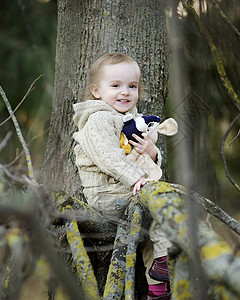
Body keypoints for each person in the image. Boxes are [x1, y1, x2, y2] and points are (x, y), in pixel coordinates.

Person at [72, 53, 172, 299]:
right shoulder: (99, 119)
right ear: (97, 91)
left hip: (123, 189)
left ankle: (158, 287)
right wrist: (136, 178)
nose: (125, 92)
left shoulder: (131, 121)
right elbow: (108, 157)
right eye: (115, 86)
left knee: (150, 228)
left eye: (132, 86)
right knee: (161, 203)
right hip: (107, 193)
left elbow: (139, 159)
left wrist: (152, 153)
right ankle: (163, 259)